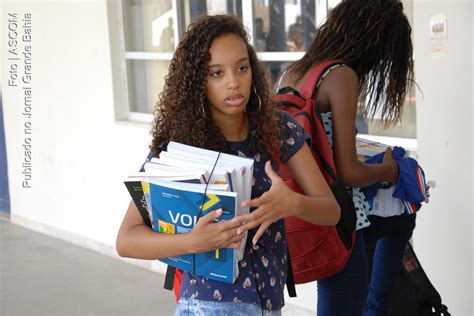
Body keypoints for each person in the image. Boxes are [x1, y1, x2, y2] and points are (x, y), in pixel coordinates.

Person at [116, 15, 340, 315]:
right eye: (216, 73)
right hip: (205, 307)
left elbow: (331, 211)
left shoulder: (279, 129)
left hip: (269, 305)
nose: (233, 82)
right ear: (198, 81)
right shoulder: (180, 148)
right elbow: (126, 239)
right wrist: (191, 242)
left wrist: (293, 203)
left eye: (242, 68)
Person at [279, 0, 416, 315]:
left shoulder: (296, 71)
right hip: (340, 215)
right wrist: (389, 170)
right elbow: (349, 172)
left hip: (305, 203)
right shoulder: (341, 75)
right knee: (347, 301)